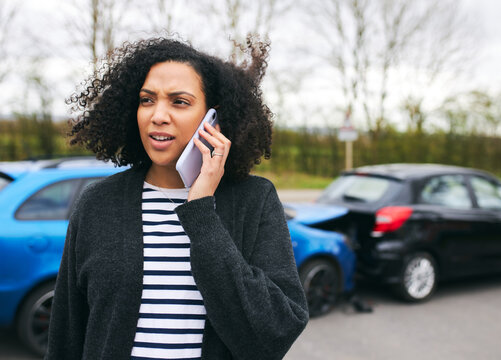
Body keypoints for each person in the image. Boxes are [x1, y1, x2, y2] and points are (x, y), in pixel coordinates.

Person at [45, 37, 309, 360]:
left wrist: (202, 216)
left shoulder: (255, 200)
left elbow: (275, 332)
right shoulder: (98, 203)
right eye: (147, 100)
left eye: (179, 102)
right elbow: (65, 338)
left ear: (213, 118)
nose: (158, 115)